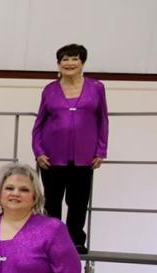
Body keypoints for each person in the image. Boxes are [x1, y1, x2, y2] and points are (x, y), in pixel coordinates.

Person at [31, 43, 108, 254]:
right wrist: (38, 152)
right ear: (58, 64)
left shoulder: (97, 87)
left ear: (82, 62)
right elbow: (38, 124)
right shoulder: (49, 89)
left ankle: (75, 240)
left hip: (85, 156)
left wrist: (101, 151)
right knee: (52, 201)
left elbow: (103, 120)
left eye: (74, 58)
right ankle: (50, 240)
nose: (69, 63)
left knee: (78, 201)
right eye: (64, 59)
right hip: (52, 156)